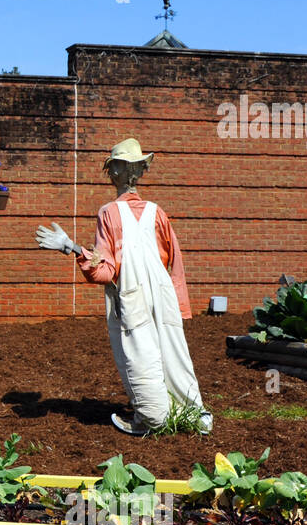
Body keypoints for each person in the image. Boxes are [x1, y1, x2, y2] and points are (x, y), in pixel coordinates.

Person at [35, 137, 212, 435]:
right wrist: (179, 306)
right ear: (140, 171)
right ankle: (197, 416)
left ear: (114, 172)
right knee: (174, 354)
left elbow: (103, 271)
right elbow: (175, 264)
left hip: (131, 297)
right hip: (164, 295)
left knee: (140, 357)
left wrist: (70, 247)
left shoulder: (108, 213)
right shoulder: (158, 212)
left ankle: (152, 419)